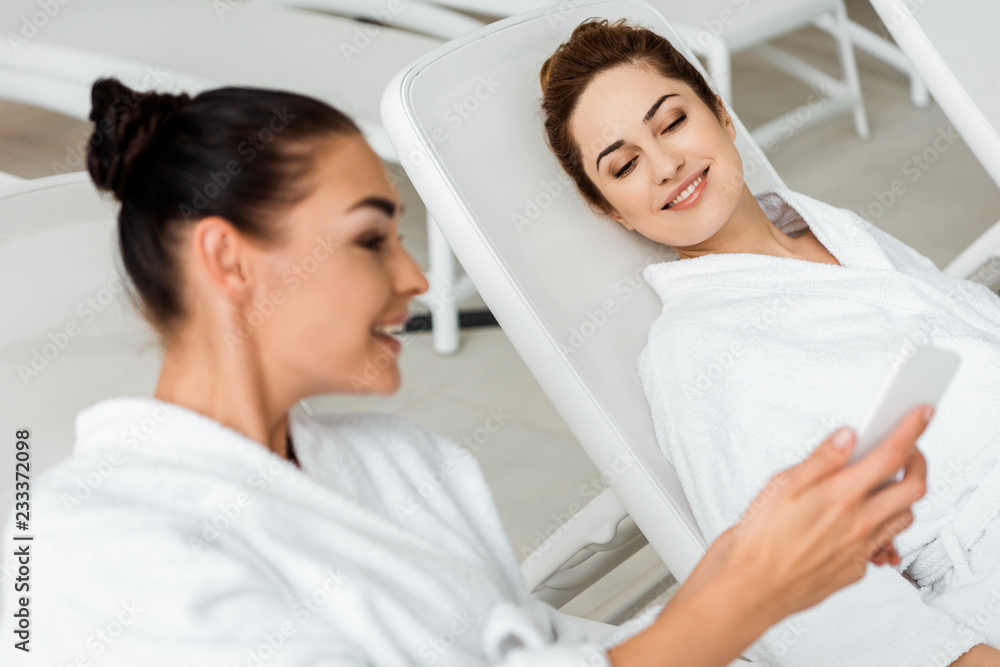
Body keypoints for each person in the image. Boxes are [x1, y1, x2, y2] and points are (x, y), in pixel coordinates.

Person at [0, 78, 929, 667]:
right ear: (228, 259)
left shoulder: (405, 462)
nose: (415, 279)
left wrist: (765, 557)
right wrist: (741, 600)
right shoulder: (86, 551)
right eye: (371, 239)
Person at [539, 19, 1000, 666]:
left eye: (672, 122)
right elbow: (801, 605)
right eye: (624, 164)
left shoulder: (824, 225)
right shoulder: (694, 353)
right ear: (610, 208)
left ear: (721, 113)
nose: (666, 165)